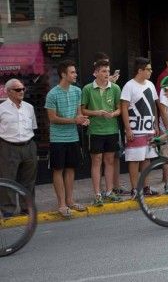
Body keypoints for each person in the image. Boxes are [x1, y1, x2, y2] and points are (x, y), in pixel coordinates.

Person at [45, 60, 89, 217]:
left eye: (75, 72)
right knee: (58, 170)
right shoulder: (52, 94)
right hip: (57, 139)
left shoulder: (77, 91)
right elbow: (52, 118)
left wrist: (83, 119)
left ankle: (70, 201)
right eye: (72, 72)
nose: (75, 74)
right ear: (63, 74)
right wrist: (74, 121)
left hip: (73, 137)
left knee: (71, 169)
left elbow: (78, 114)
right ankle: (61, 204)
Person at [81, 60, 122, 206]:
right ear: (96, 73)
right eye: (103, 71)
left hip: (111, 129)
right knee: (96, 161)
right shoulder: (87, 89)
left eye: (108, 71)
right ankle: (98, 194)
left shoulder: (116, 88)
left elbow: (120, 108)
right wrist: (96, 112)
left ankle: (109, 192)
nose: (107, 74)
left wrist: (114, 114)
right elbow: (82, 110)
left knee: (110, 161)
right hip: (95, 130)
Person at [121, 57, 160, 199]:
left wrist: (155, 124)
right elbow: (124, 107)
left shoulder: (150, 85)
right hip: (135, 128)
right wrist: (128, 129)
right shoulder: (129, 86)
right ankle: (134, 189)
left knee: (147, 158)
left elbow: (154, 105)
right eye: (148, 69)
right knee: (134, 159)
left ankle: (146, 187)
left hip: (149, 127)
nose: (151, 71)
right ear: (140, 70)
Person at [0, 79, 37, 217]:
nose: (21, 91)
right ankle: (8, 210)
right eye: (17, 89)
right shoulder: (1, 109)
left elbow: (33, 126)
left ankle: (27, 208)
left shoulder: (29, 107)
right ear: (8, 92)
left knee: (29, 180)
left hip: (28, 145)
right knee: (8, 179)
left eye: (22, 89)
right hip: (8, 147)